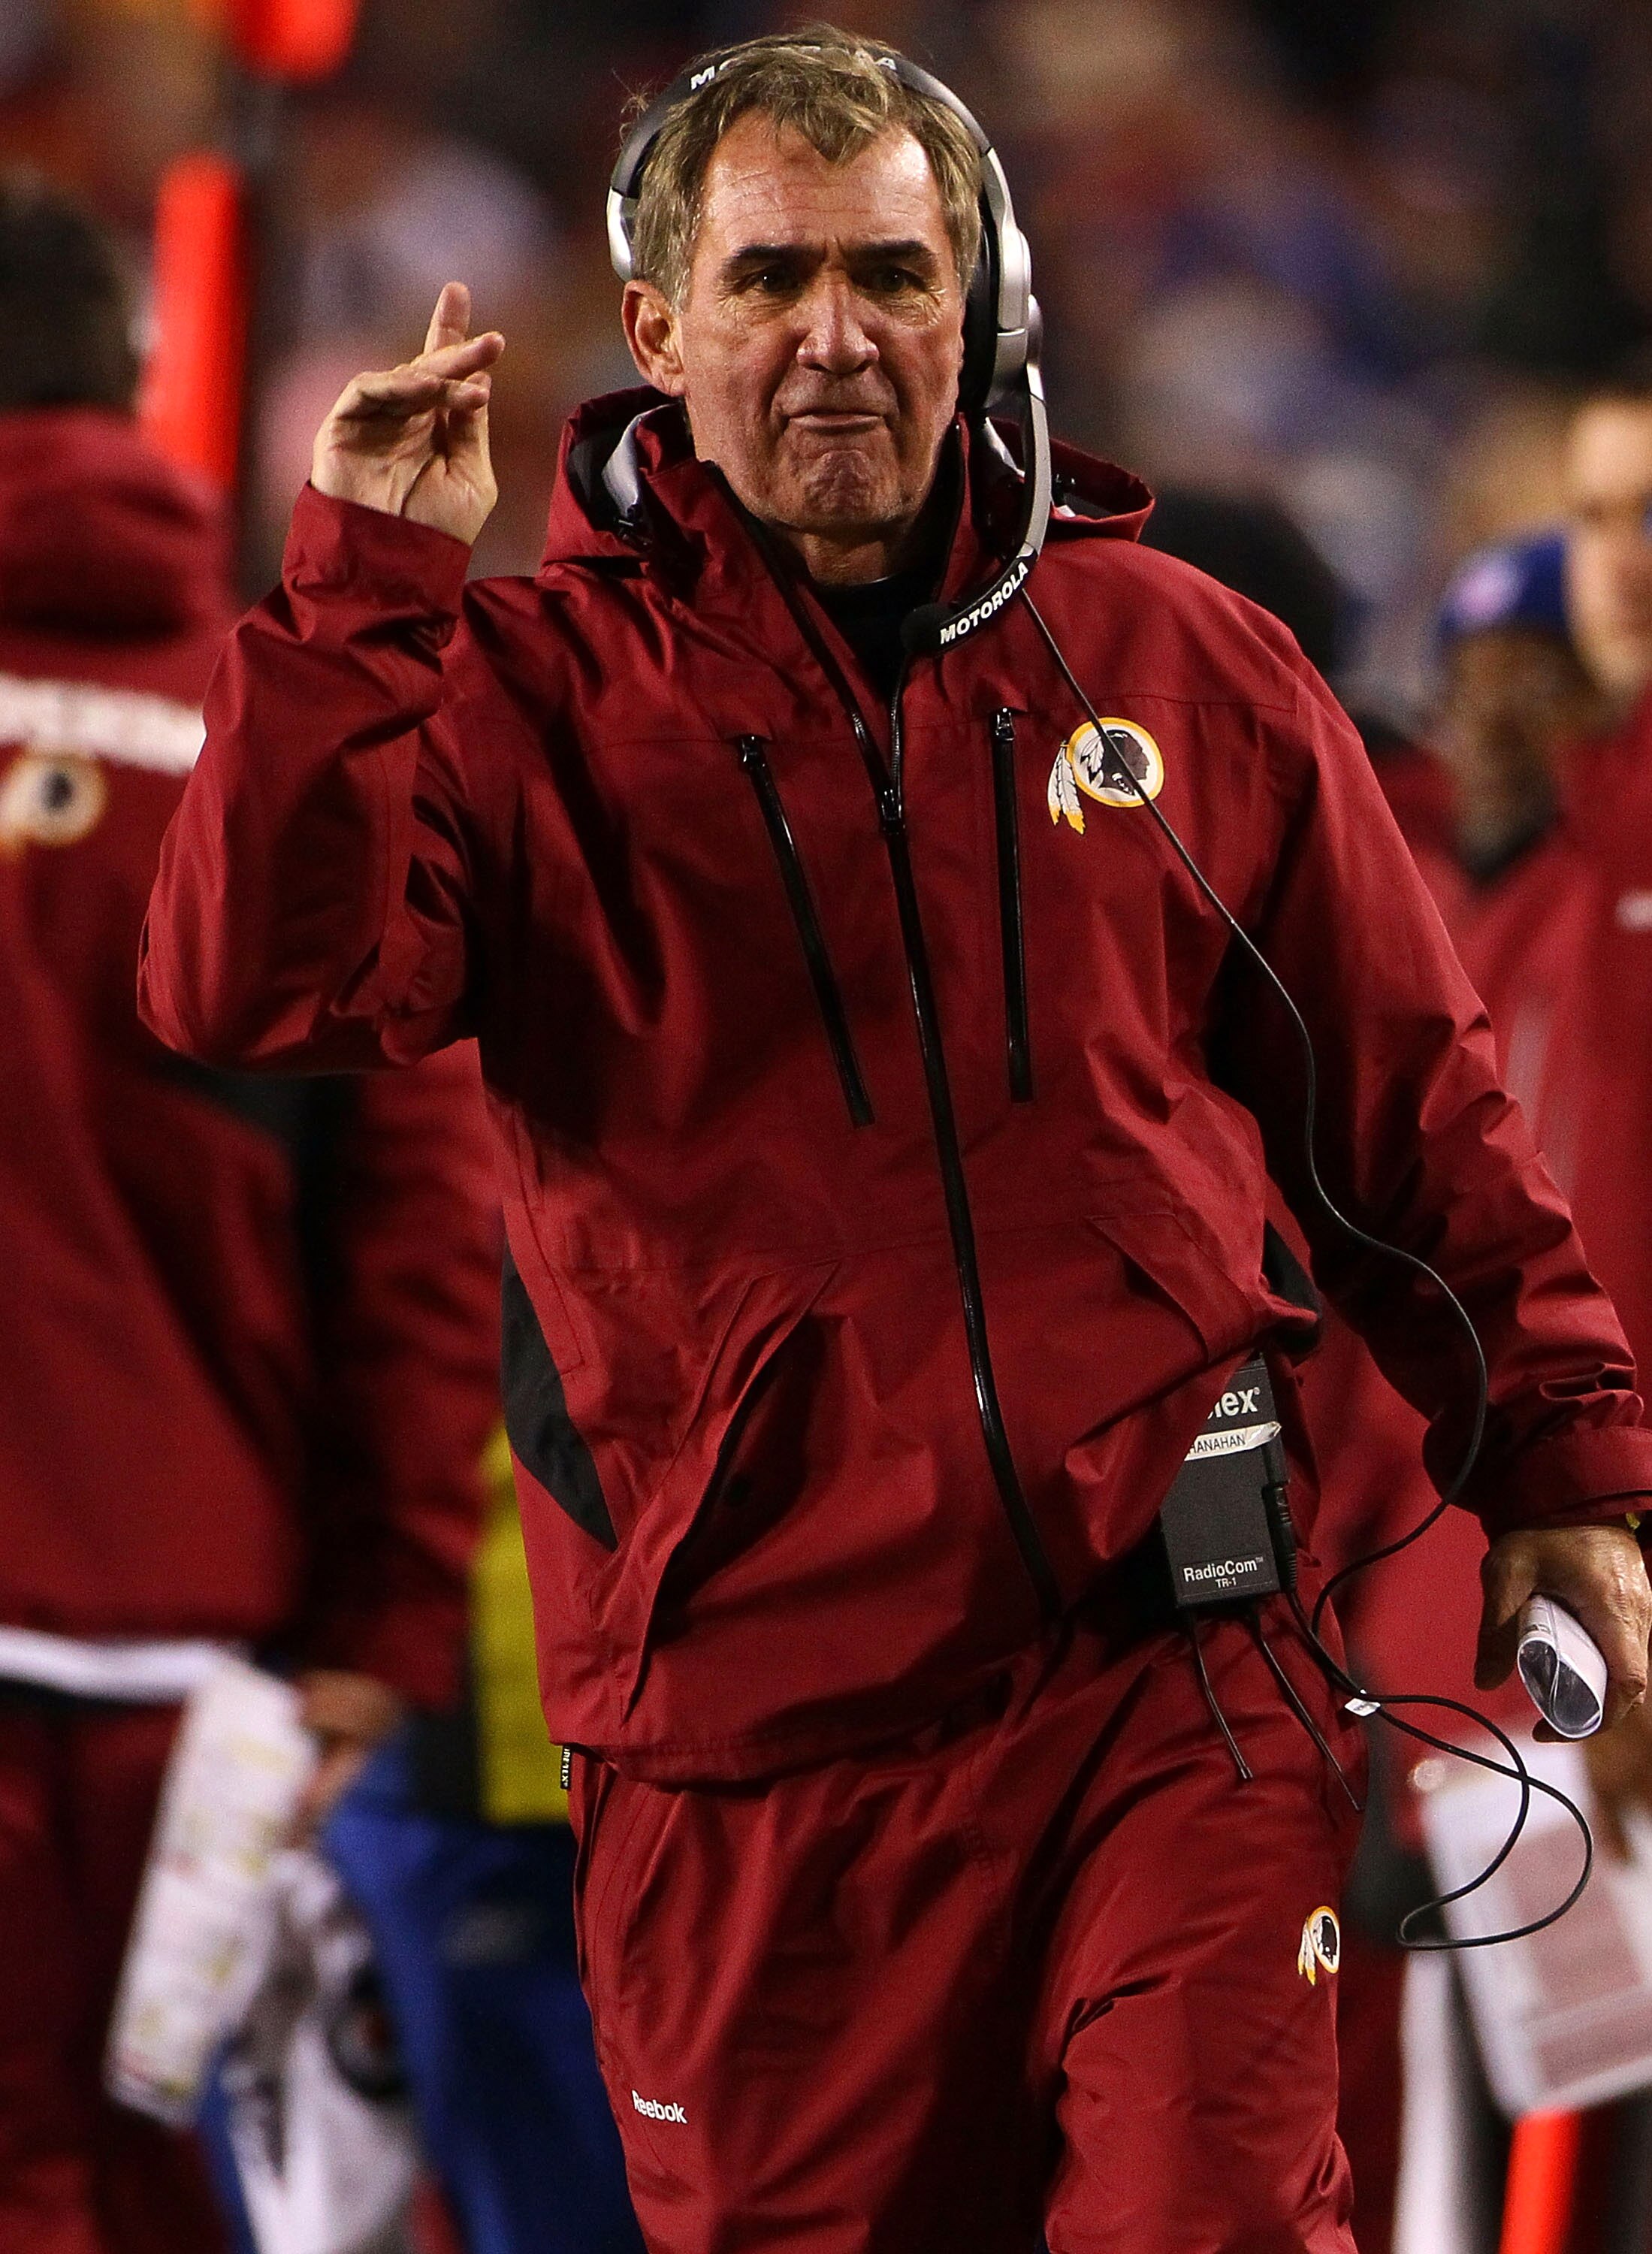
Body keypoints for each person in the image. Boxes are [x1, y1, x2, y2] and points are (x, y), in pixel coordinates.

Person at [138, 34, 1652, 2253]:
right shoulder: (510, 700)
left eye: (891, 276)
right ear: (657, 330)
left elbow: (1411, 1108)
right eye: (770, 281)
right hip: (757, 1744)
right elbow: (247, 992)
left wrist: (1571, 1472)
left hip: (1179, 1679)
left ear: (984, 305)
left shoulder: (1180, 664)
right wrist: (362, 596)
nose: (836, 337)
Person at [0, 174, 500, 2254]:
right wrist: (380, 1625)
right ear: (132, 383)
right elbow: (418, 1217)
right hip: (204, 1648)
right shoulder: (282, 736)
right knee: (158, 2195)